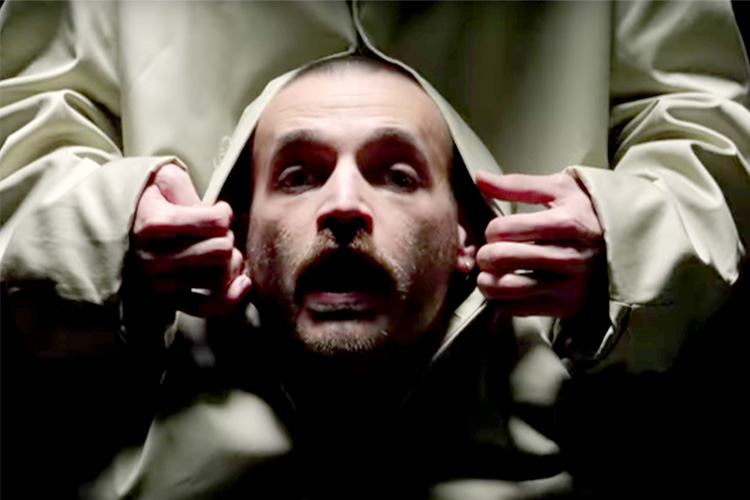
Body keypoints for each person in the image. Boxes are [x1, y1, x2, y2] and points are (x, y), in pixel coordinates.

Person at [1, 0, 749, 497]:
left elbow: (697, 114)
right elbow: (25, 116)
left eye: (395, 175)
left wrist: (634, 240)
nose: (343, 209)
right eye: (300, 177)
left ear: (471, 238)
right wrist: (100, 232)